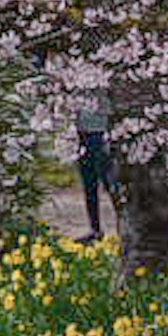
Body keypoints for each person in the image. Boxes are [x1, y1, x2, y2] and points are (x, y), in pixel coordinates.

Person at [70, 91, 116, 242]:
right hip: (81, 131)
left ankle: (124, 227)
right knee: (89, 182)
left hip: (101, 130)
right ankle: (95, 229)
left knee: (108, 181)